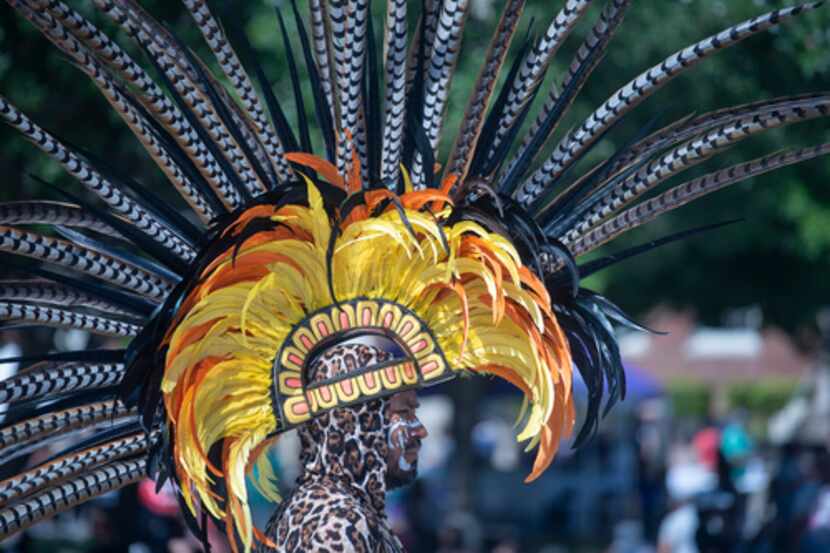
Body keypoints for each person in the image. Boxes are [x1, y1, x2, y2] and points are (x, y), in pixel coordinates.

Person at [0, 1, 826, 552]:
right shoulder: (330, 526)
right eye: (401, 408)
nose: (419, 427)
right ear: (349, 417)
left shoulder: (344, 515)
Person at [259, 344, 426, 552]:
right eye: (404, 412)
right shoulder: (338, 522)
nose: (420, 430)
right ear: (355, 425)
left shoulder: (331, 506)